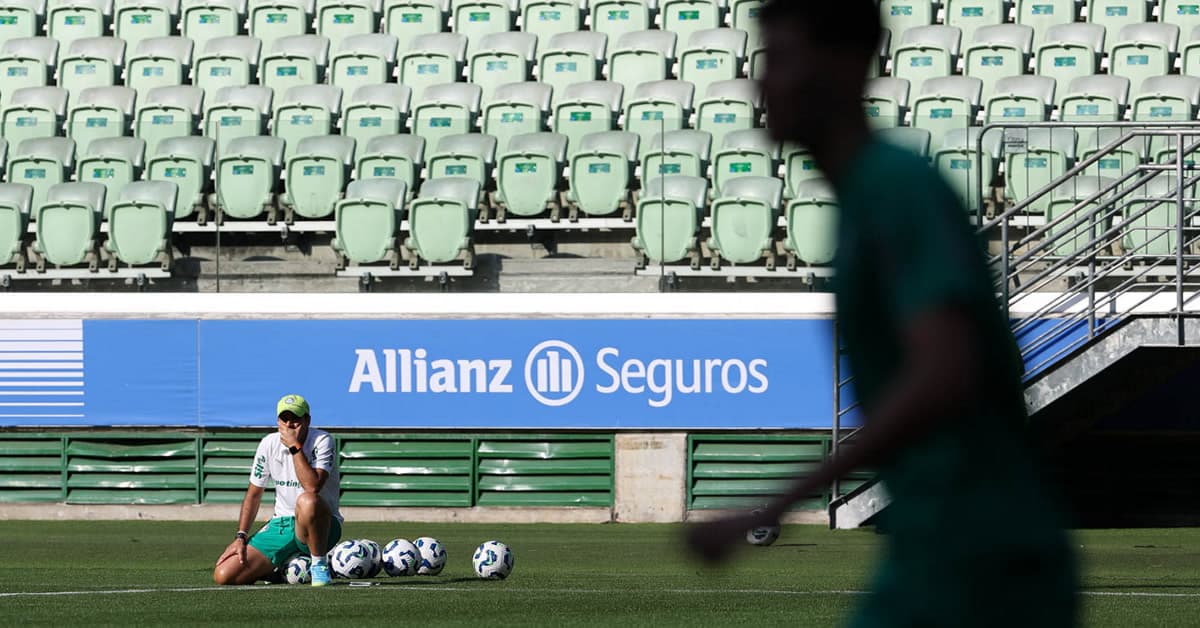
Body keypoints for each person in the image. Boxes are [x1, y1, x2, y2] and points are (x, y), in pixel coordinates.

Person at [685, 2, 1078, 626]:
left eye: (782, 60)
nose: (762, 84)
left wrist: (777, 502)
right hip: (942, 545)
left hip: (980, 556)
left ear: (846, 65)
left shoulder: (897, 189)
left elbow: (945, 373)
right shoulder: (866, 197)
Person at [213, 394, 343, 587]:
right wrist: (241, 536)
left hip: (322, 524)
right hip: (282, 523)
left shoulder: (322, 440)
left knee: (307, 500)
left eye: (295, 419)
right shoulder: (268, 443)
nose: (289, 424)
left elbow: (312, 486)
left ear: (307, 420)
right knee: (224, 575)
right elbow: (254, 494)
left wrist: (294, 447)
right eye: (284, 419)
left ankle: (319, 565)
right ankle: (281, 569)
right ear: (278, 421)